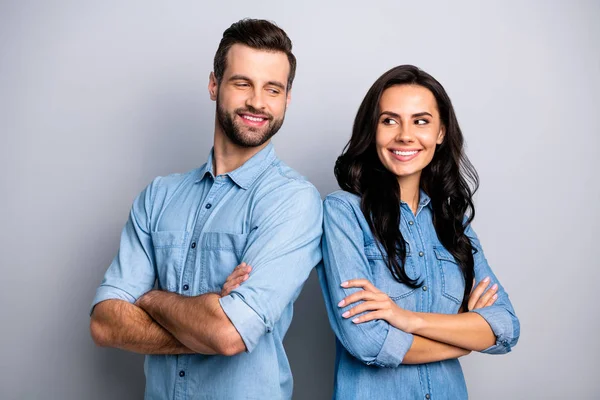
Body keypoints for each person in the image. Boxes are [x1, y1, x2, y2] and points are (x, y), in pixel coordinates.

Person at [89, 19, 322, 399]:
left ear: (287, 99)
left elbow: (228, 334)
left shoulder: (293, 201)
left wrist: (150, 297)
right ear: (214, 85)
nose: (258, 102)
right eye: (242, 83)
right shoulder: (158, 197)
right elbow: (104, 324)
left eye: (273, 89)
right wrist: (209, 313)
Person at [318, 65, 519, 399]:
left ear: (440, 132)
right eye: (389, 120)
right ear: (373, 130)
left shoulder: (454, 223)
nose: (405, 135)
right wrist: (462, 340)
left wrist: (408, 320)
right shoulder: (343, 213)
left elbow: (506, 326)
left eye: (421, 121)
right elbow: (367, 342)